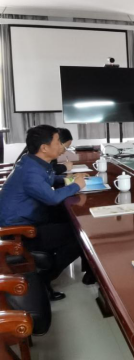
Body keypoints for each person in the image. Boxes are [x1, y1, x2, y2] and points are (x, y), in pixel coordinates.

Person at [0, 125, 87, 300]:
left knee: (71, 219)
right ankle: (43, 280)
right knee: (80, 237)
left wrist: (66, 179)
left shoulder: (32, 162)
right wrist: (76, 185)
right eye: (58, 142)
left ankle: (88, 272)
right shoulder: (31, 171)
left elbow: (48, 179)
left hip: (30, 217)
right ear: (44, 148)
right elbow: (52, 198)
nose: (61, 146)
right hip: (18, 232)